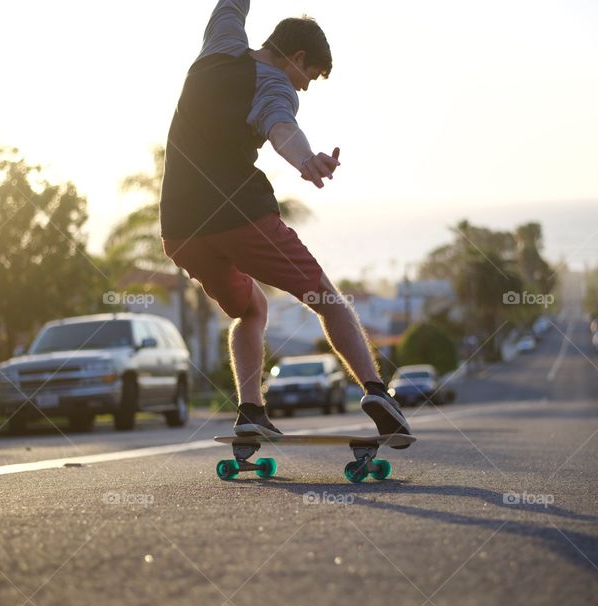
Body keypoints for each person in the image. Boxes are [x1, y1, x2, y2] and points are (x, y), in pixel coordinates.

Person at [160, 0, 411, 448]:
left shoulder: (221, 43)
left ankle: (251, 412)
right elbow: (282, 127)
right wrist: (307, 160)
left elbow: (231, 5)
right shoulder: (275, 86)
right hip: (241, 217)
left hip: (180, 230)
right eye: (309, 76)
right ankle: (377, 392)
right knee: (328, 300)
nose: (305, 87)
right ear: (296, 57)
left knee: (251, 309)